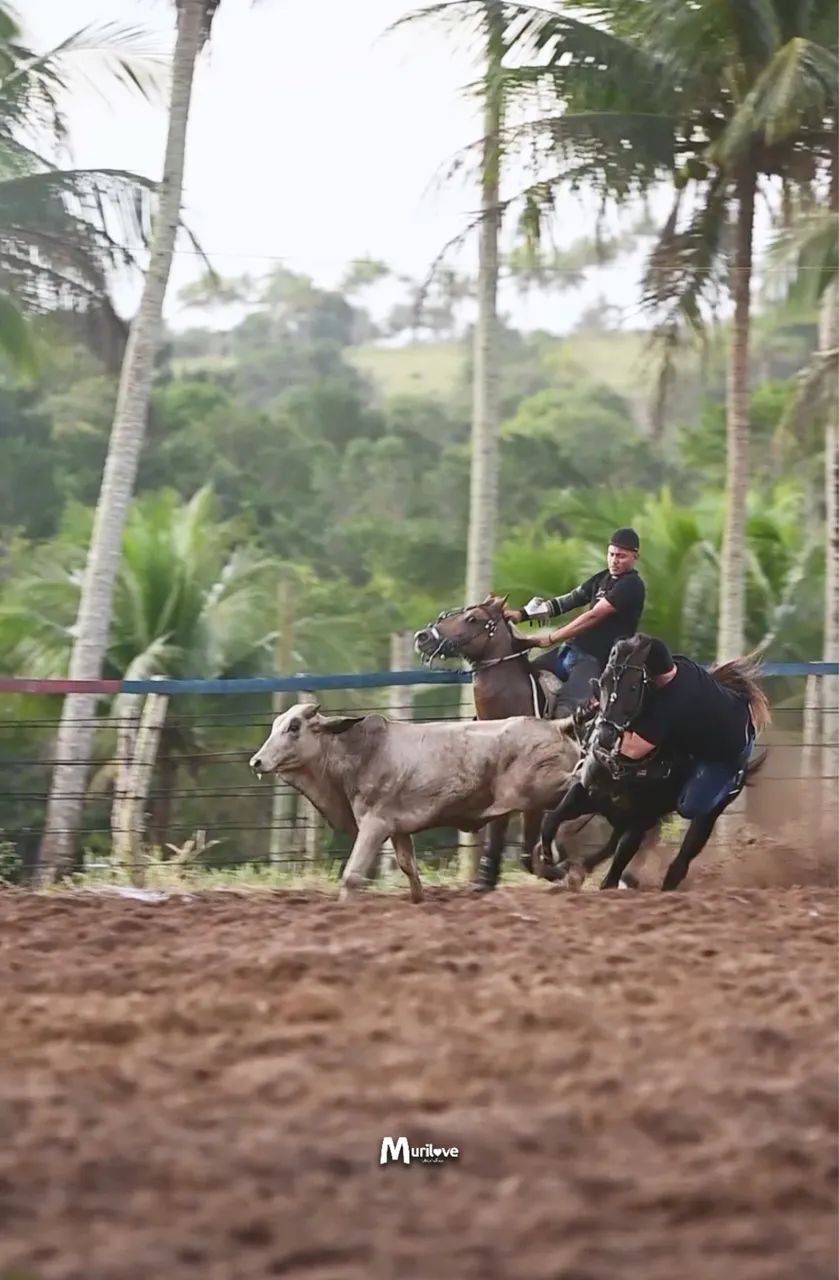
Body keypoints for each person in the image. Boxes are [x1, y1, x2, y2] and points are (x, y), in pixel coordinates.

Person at [505, 527, 645, 714]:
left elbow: (594, 615)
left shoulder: (632, 585)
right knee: (523, 677)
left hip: (595, 659)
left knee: (565, 712)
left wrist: (551, 638)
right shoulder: (602, 578)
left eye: (621, 556)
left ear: (635, 556)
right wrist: (521, 614)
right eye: (611, 554)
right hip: (568, 652)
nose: (614, 560)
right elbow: (569, 600)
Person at [617, 636, 759, 818]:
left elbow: (631, 750)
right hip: (727, 717)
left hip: (728, 754)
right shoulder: (681, 664)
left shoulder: (670, 705)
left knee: (688, 809)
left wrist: (607, 732)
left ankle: (732, 783)